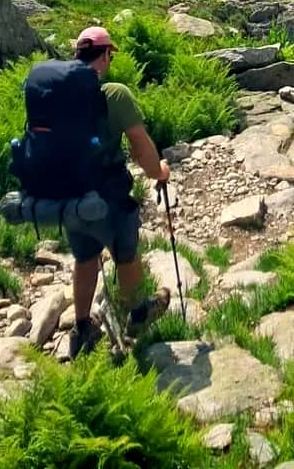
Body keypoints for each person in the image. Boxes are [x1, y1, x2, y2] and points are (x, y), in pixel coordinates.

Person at [67, 24, 171, 358]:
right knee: (126, 253)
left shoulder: (55, 94)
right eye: (110, 54)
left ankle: (81, 328)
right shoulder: (114, 94)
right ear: (106, 55)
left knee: (85, 258)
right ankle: (137, 315)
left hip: (69, 195)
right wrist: (159, 172)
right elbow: (141, 147)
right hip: (107, 195)